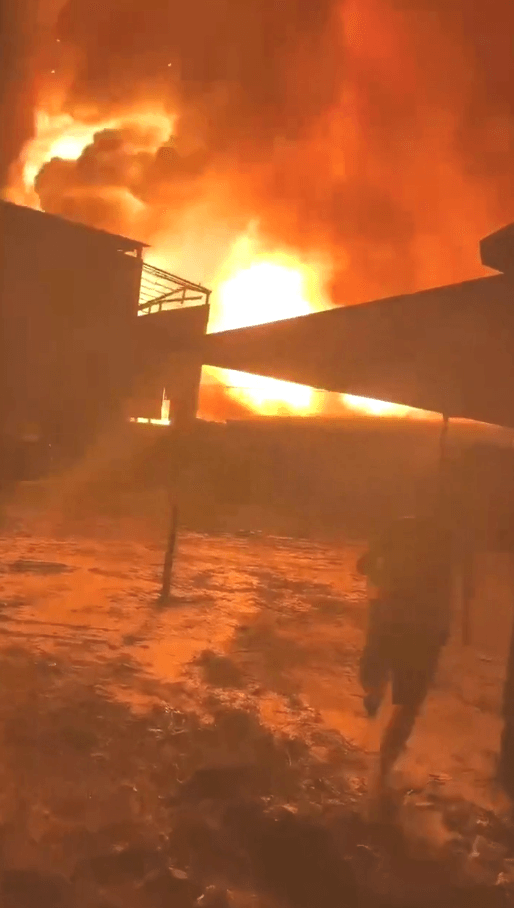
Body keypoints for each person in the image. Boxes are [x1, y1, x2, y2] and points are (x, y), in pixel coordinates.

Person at [357, 514, 453, 797]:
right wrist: (442, 632)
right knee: (408, 706)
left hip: (390, 622)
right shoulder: (441, 548)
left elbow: (363, 566)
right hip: (423, 634)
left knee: (375, 668)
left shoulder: (395, 536)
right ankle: (383, 770)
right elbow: (445, 599)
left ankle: (374, 690)